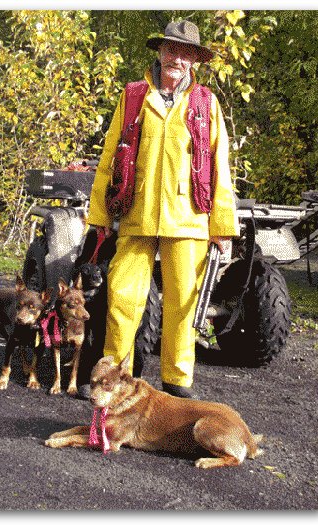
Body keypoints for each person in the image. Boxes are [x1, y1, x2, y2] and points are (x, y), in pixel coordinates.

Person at [87, 20, 239, 398]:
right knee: (121, 298)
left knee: (183, 303)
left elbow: (220, 168)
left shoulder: (207, 104)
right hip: (136, 216)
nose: (177, 58)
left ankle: (177, 380)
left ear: (194, 61)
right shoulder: (134, 95)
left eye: (185, 52)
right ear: (160, 52)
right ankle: (113, 376)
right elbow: (109, 157)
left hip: (189, 221)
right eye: (171, 49)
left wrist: (221, 227)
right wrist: (101, 217)